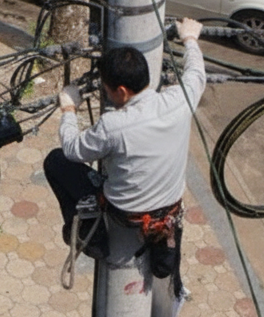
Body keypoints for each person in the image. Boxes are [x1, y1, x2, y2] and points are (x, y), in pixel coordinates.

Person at [44, 18, 206, 286]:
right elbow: (196, 75)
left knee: (57, 162)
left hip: (126, 214)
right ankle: (163, 253)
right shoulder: (179, 100)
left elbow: (73, 150)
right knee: (163, 262)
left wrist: (69, 110)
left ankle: (93, 238)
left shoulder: (113, 125)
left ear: (121, 90)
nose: (106, 94)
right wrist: (190, 39)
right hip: (170, 208)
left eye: (106, 89)